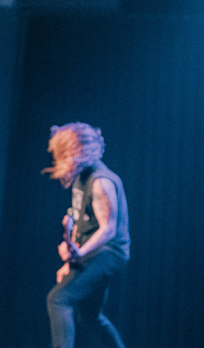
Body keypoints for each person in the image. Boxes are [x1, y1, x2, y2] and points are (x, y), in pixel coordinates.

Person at [44, 122, 130, 348]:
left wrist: (80, 253)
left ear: (77, 152)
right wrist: (70, 252)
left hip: (109, 252)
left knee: (59, 299)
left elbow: (108, 229)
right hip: (92, 253)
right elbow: (80, 219)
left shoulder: (101, 181)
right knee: (89, 316)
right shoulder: (80, 177)